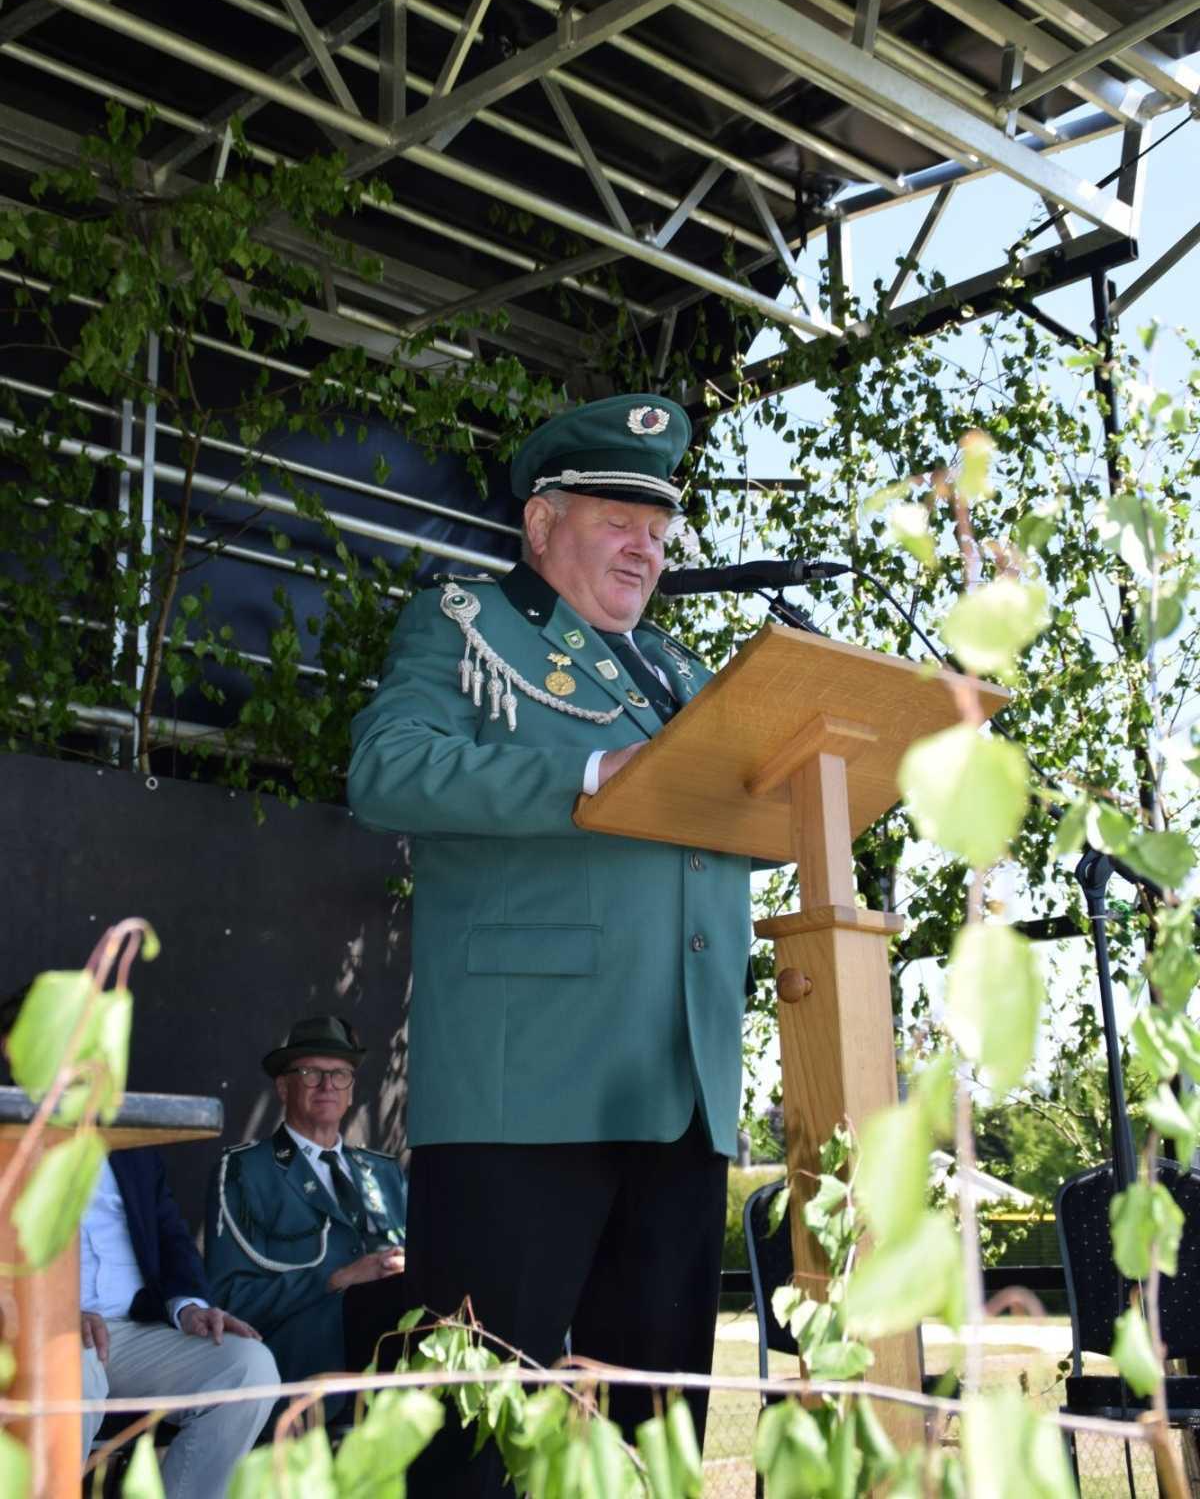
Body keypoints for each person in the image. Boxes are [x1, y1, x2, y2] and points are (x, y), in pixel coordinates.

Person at [347, 393, 753, 1492]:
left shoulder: (681, 675)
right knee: (475, 1430)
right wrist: (584, 776)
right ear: (540, 524)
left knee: (650, 1435)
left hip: (681, 1084)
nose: (647, 544)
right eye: (619, 515)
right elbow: (388, 768)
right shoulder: (469, 621)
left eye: (661, 528)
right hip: (527, 1081)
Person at [0, 985, 276, 1498]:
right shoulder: (3, 1136)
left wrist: (190, 1306)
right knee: (69, 1370)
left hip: (134, 1330)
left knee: (250, 1367)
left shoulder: (128, 1137)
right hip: (36, 1333)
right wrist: (53, 1312)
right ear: (14, 1050)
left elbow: (171, 1237)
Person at [204, 1016, 408, 1404]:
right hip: (309, 1366)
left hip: (399, 1367)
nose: (328, 1085)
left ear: (352, 1090)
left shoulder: (384, 1173)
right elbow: (230, 1299)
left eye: (340, 1074)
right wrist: (336, 1278)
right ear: (284, 1087)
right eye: (312, 1073)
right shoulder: (247, 1171)